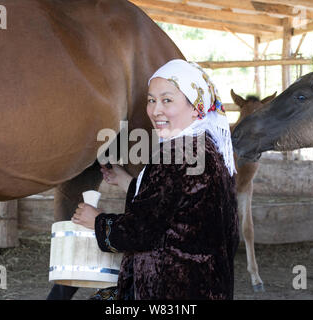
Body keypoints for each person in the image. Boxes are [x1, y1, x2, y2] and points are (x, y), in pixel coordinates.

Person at [72, 59, 239, 300]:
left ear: (196, 107)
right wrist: (127, 181)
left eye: (167, 100)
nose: (155, 110)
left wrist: (98, 221)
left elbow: (139, 231)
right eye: (151, 100)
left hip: (170, 288)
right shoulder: (209, 147)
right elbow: (177, 205)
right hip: (206, 285)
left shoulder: (175, 154)